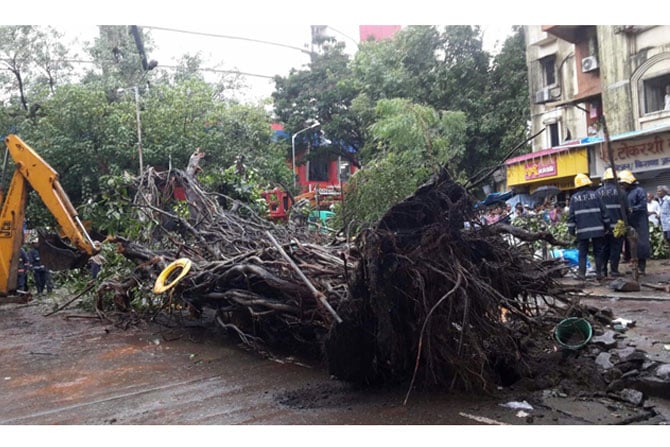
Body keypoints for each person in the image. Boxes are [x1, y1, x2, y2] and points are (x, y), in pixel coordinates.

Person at [568, 173, 610, 281]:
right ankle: (599, 274)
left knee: (582, 252)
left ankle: (582, 274)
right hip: (598, 229)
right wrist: (607, 226)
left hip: (582, 230)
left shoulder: (574, 198)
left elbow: (571, 216)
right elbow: (604, 212)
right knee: (598, 252)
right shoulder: (596, 195)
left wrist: (571, 230)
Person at [596, 167, 629, 278]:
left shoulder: (598, 193)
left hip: (603, 227)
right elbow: (627, 210)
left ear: (605, 180)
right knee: (616, 248)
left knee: (603, 248)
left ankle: (603, 271)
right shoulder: (621, 192)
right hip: (618, 227)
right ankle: (614, 270)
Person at [619, 169, 651, 275]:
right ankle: (634, 266)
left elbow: (643, 205)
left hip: (640, 221)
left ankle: (641, 268)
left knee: (641, 244)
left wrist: (633, 208)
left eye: (623, 183)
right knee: (631, 245)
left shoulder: (639, 191)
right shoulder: (625, 193)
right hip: (630, 221)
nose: (622, 185)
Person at [657, 185, 670, 255]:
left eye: (659, 191)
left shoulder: (668, 199)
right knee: (667, 241)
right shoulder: (661, 201)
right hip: (665, 226)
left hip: (669, 224)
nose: (657, 193)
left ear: (664, 192)